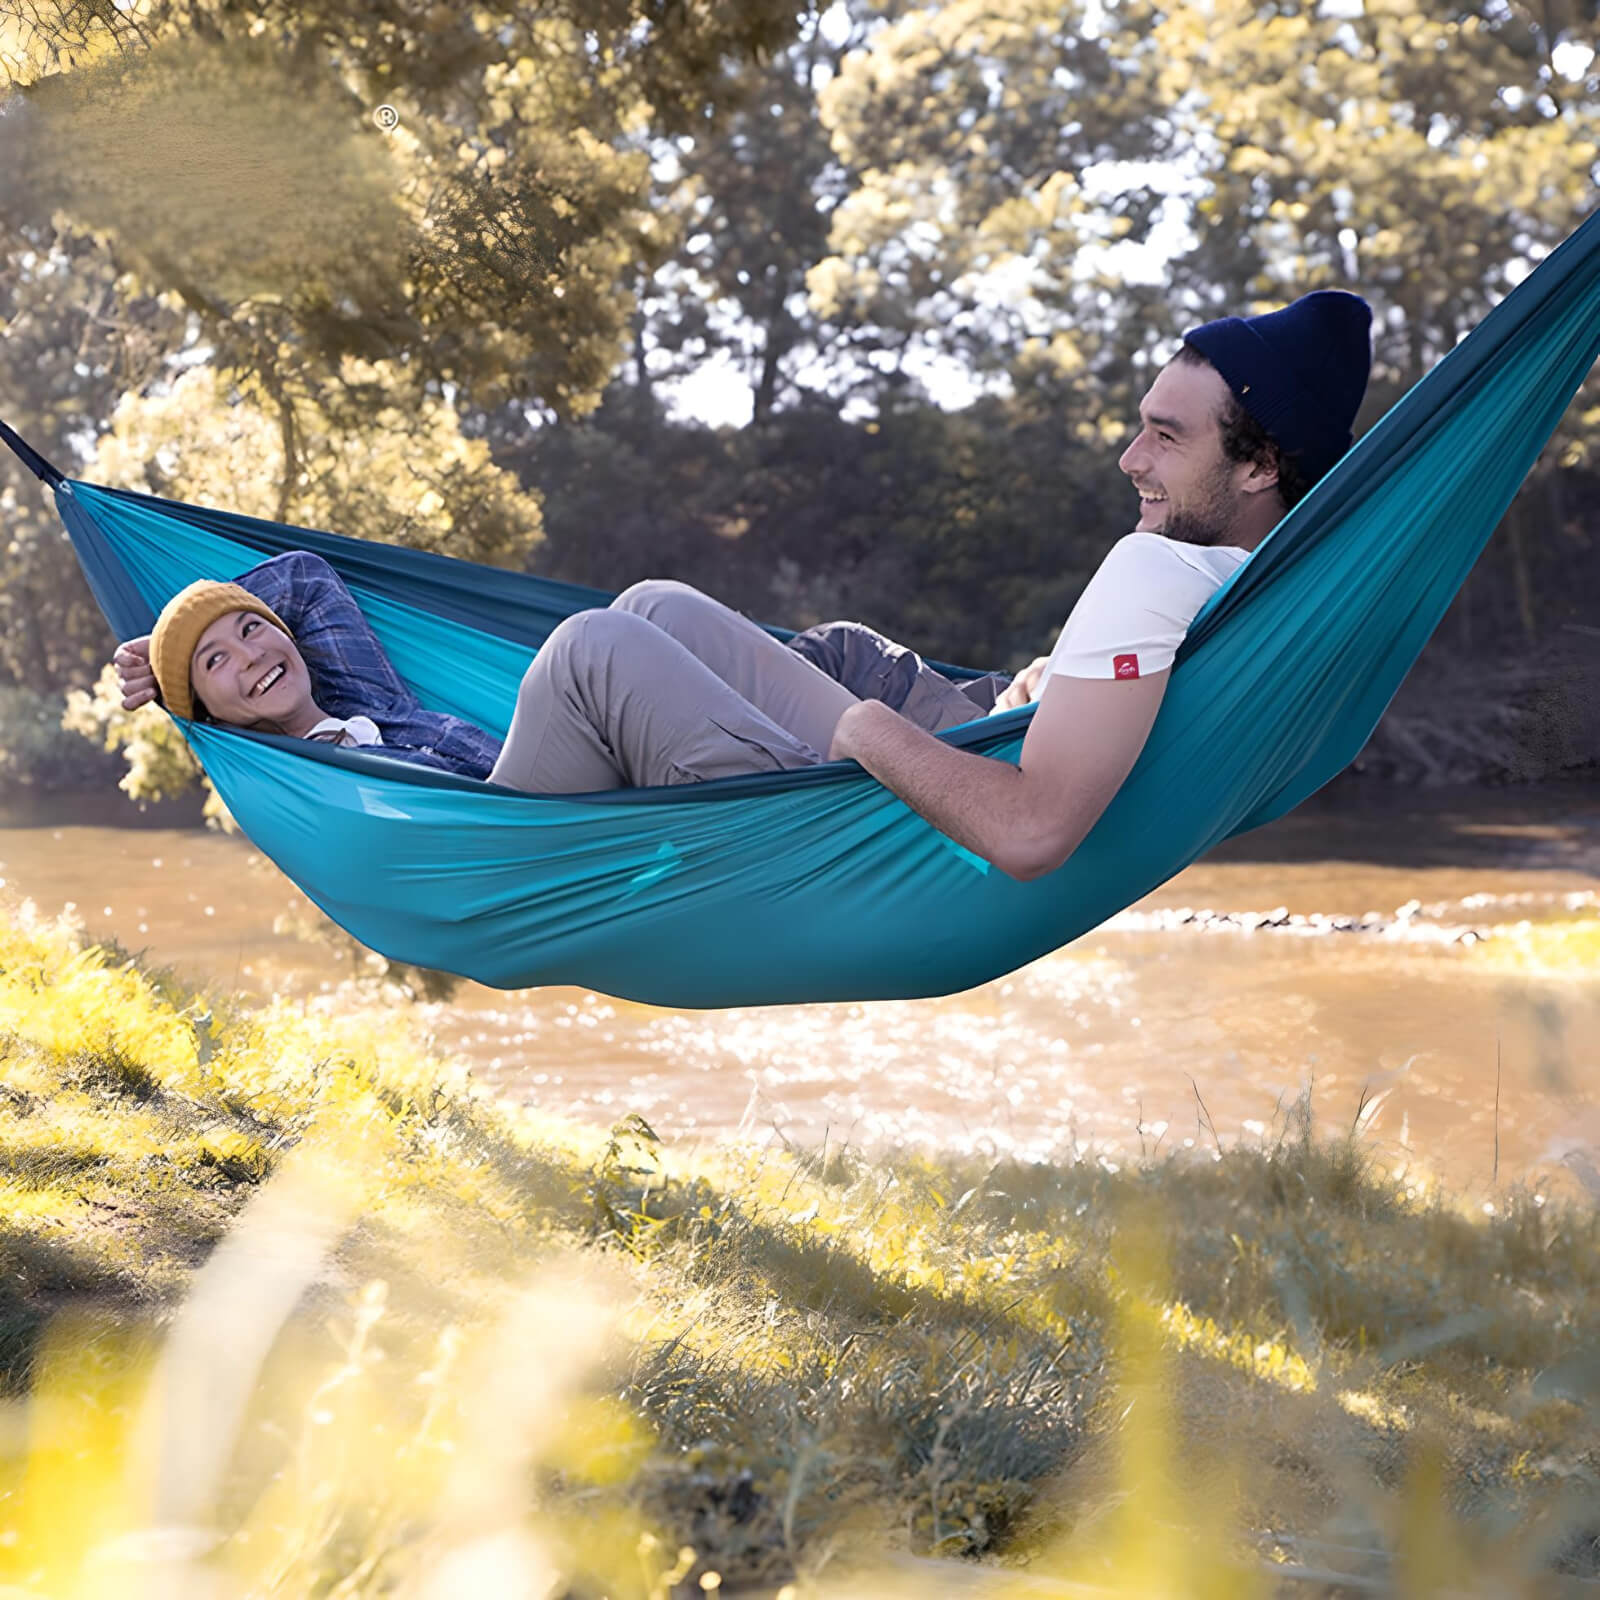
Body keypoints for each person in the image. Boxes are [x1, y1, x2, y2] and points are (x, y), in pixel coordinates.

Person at [114, 290, 1372, 880]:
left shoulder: (1154, 566)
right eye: (221, 666)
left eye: (1163, 434)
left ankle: (785, 801)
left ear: (1258, 460)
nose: (1127, 454)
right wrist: (173, 673)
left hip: (571, 806)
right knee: (655, 604)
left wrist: (856, 728)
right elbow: (283, 594)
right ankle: (788, 770)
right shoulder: (1248, 568)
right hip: (498, 823)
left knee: (600, 645)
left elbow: (296, 587)